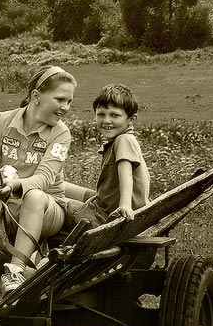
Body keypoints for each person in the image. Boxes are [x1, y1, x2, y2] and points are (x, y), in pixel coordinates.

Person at [0, 65, 76, 296]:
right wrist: (0, 184)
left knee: (34, 196)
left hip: (47, 209)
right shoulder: (3, 120)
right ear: (36, 96)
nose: (65, 107)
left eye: (69, 101)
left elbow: (45, 177)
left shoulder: (61, 133)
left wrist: (16, 185)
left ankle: (16, 270)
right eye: (60, 99)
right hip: (4, 202)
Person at [64, 83, 150, 229]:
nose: (106, 120)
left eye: (114, 115)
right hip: (103, 207)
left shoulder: (123, 140)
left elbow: (126, 175)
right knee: (58, 187)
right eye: (101, 114)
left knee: (56, 206)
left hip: (105, 216)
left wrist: (125, 205)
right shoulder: (120, 140)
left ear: (131, 119)